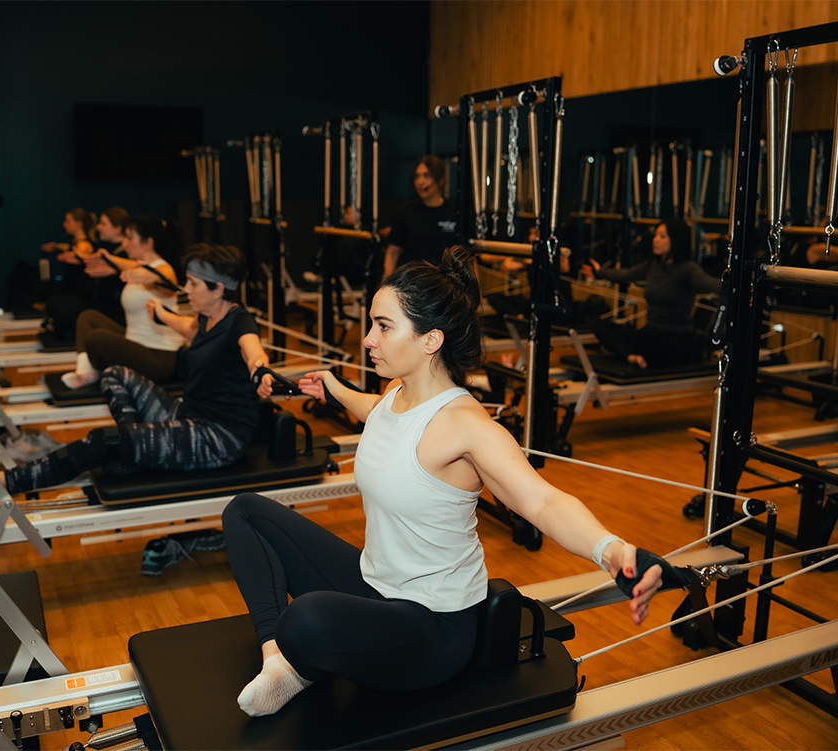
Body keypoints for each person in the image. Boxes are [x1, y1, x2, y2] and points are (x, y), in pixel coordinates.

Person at [221, 246, 664, 718]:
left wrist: (612, 551)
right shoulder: (397, 392)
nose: (368, 339)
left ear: (431, 340)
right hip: (377, 583)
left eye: (383, 326)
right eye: (372, 324)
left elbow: (543, 502)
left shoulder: (468, 427)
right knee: (245, 512)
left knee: (304, 620)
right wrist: (334, 388)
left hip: (432, 628)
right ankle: (280, 664)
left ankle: (299, 655)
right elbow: (379, 412)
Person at [0, 243, 274, 548]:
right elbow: (189, 329)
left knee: (102, 441)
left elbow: (253, 351)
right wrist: (161, 314)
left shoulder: (240, 322)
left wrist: (259, 370)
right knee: (114, 374)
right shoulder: (206, 318)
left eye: (194, 284)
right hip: (187, 415)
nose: (186, 289)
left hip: (218, 437)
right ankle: (135, 449)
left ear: (218, 289)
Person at [61, 214, 187, 388]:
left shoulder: (164, 269)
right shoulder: (138, 265)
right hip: (135, 343)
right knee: (88, 318)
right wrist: (109, 259)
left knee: (97, 339)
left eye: (129, 238)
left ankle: (91, 372)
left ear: (148, 242)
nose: (124, 243)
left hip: (158, 357)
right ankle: (85, 372)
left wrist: (150, 277)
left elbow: (165, 279)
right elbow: (130, 265)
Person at [582, 219, 721, 368]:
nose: (655, 240)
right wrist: (599, 272)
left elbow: (712, 283)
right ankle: (631, 357)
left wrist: (745, 291)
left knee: (646, 336)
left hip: (676, 339)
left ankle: (625, 353)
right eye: (655, 235)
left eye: (662, 236)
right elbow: (626, 274)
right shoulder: (652, 265)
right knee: (599, 324)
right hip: (650, 334)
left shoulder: (688, 269)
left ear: (676, 239)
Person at [383, 155, 458, 277]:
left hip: (445, 284)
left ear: (440, 179)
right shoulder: (407, 211)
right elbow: (392, 253)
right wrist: (385, 286)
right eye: (417, 176)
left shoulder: (454, 211)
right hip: (413, 283)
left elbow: (469, 258)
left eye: (426, 176)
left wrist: (476, 294)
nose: (420, 182)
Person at [82, 206, 131, 326]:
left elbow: (142, 268)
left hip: (114, 310)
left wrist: (115, 270)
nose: (98, 227)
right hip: (98, 303)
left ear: (117, 229)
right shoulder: (105, 247)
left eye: (103, 224)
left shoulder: (128, 252)